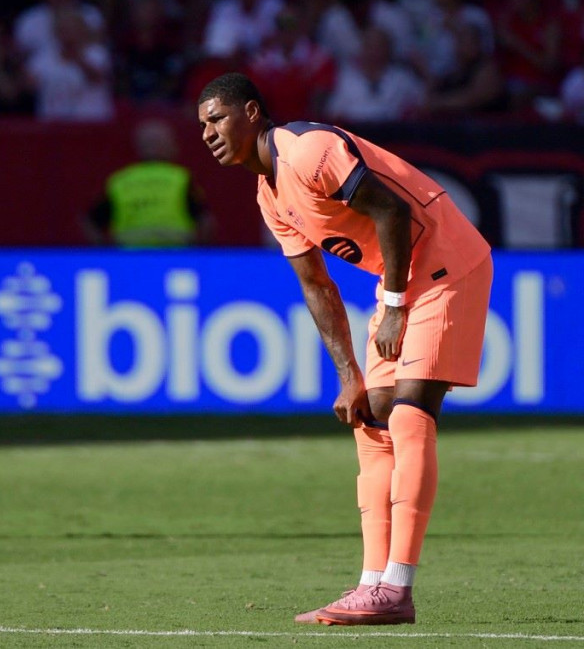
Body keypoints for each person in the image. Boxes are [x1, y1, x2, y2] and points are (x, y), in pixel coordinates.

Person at [197, 72, 492, 625]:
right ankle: (371, 583)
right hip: (399, 280)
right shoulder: (268, 194)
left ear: (252, 112)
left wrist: (397, 306)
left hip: (447, 265)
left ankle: (397, 587)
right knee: (370, 420)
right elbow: (316, 285)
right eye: (202, 126)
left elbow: (393, 211)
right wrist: (348, 374)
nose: (208, 133)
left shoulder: (309, 150)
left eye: (216, 118)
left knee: (408, 414)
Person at [83, 119, 211, 247]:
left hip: (129, 255)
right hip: (175, 254)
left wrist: (104, 251)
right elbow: (206, 221)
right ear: (164, 145)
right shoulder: (181, 178)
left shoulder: (120, 181)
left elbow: (90, 221)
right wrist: (198, 252)